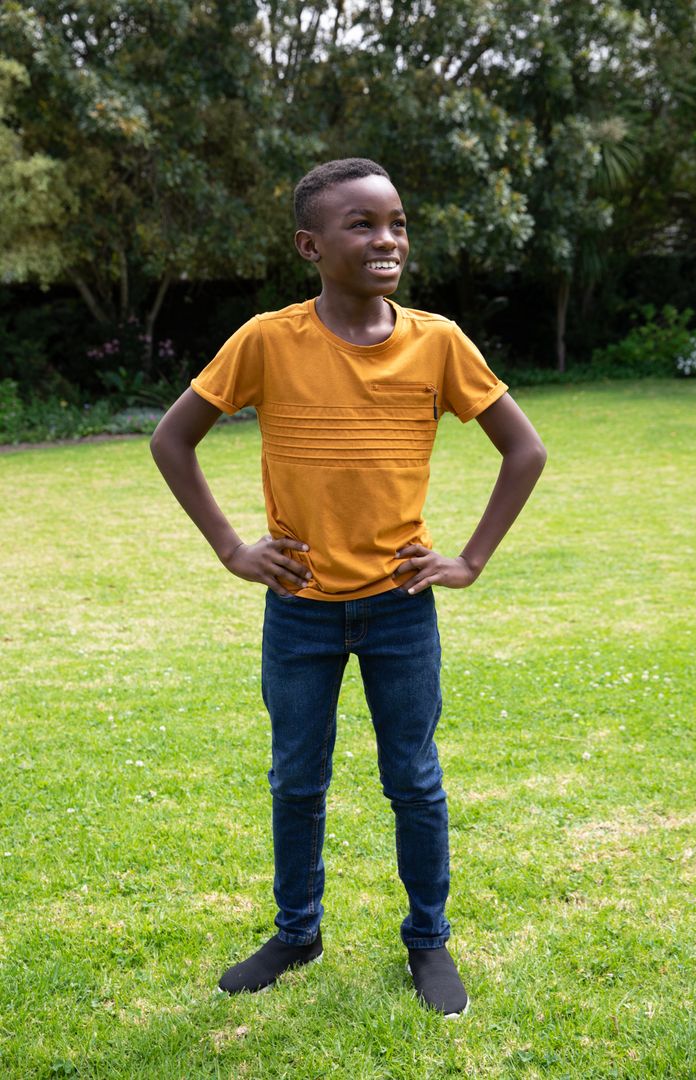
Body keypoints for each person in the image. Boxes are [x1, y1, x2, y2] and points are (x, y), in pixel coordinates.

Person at [150, 157, 546, 1019]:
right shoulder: (266, 340)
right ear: (310, 244)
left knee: (414, 779)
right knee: (297, 778)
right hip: (299, 610)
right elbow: (172, 439)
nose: (387, 239)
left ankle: (428, 940)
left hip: (403, 609)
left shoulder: (438, 342)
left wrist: (469, 559)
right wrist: (231, 548)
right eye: (362, 224)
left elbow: (526, 450)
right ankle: (297, 933)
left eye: (396, 222)